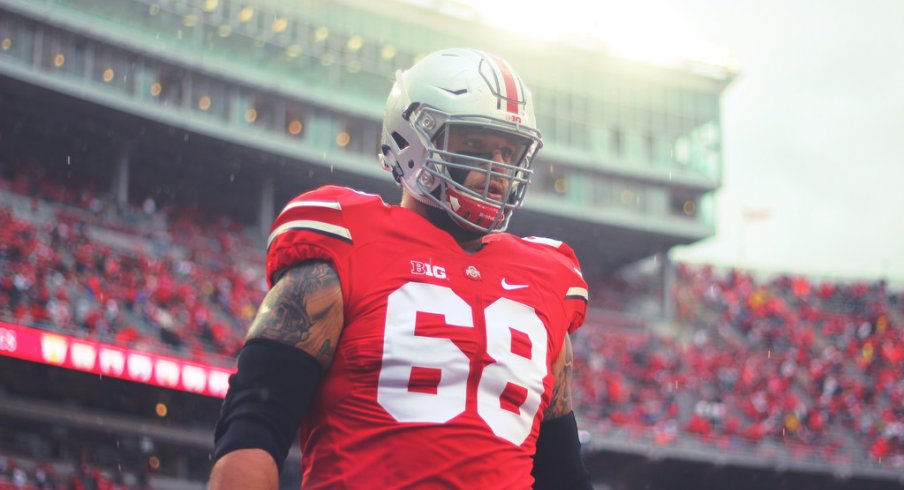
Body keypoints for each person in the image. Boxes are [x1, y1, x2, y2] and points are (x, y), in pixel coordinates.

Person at [209, 48, 592, 489]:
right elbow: (253, 430)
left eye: (510, 153)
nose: (497, 171)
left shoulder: (545, 279)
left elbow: (562, 473)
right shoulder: (347, 247)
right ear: (411, 139)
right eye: (475, 146)